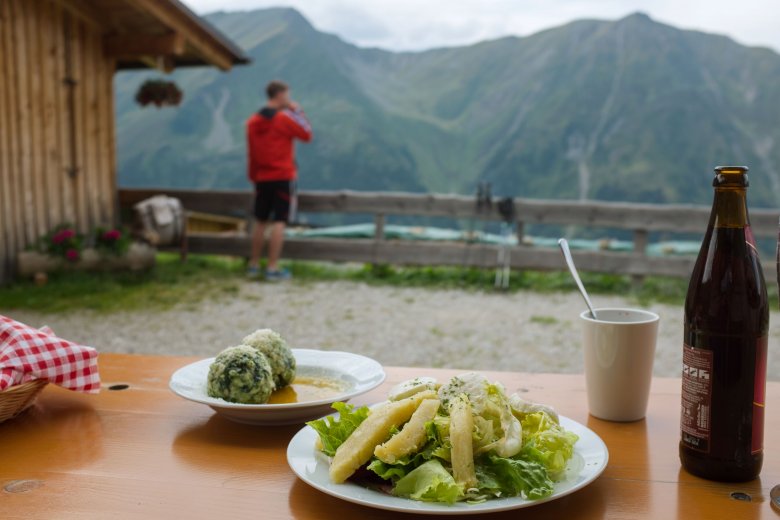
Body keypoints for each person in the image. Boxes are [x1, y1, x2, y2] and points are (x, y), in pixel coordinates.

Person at [245, 80, 313, 280]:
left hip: (261, 177)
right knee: (279, 221)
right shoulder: (284, 119)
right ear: (280, 95)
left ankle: (254, 265)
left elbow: (251, 152)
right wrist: (297, 110)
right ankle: (272, 268)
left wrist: (253, 176)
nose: (290, 99)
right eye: (288, 95)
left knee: (260, 221)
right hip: (283, 175)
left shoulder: (253, 122)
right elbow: (307, 134)